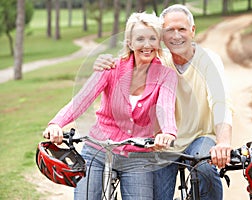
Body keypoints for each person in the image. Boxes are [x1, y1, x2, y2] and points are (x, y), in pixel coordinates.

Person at [94, 4, 233, 200]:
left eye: (182, 29)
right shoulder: (157, 60)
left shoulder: (209, 60)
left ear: (192, 31)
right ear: (161, 35)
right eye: (169, 30)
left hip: (199, 137)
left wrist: (224, 142)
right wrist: (104, 62)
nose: (176, 36)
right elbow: (127, 65)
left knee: (205, 168)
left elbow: (221, 102)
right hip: (161, 144)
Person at [42, 12, 178, 200]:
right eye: (140, 39)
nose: (147, 45)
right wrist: (56, 124)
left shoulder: (166, 76)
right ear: (129, 42)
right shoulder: (111, 68)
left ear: (158, 42)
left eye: (152, 38)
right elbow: (81, 100)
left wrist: (168, 132)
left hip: (137, 157)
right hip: (98, 150)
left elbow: (167, 107)